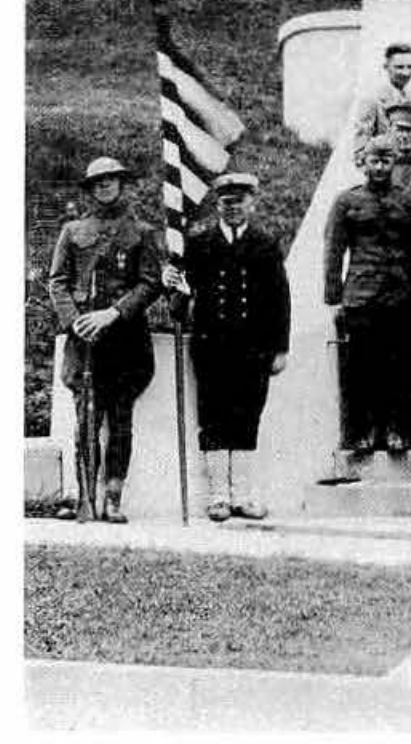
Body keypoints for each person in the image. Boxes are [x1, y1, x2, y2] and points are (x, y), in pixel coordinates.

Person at [169, 171, 290, 522]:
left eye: (240, 202)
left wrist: (280, 347)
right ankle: (219, 497)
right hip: (212, 347)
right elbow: (179, 302)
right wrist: (172, 284)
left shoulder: (266, 244)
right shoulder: (199, 244)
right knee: (213, 419)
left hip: (254, 348)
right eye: (226, 202)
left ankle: (243, 496)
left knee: (248, 418)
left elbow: (280, 299)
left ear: (251, 203)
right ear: (217, 205)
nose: (233, 208)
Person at [48, 156, 162, 523]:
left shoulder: (142, 232)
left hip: (126, 342)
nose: (105, 185)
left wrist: (113, 313)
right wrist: (76, 321)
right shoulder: (73, 231)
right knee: (86, 421)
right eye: (98, 181)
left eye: (111, 179)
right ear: (90, 189)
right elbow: (57, 282)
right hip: (85, 344)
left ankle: (113, 497)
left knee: (121, 421)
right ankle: (84, 495)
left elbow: (150, 283)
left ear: (121, 184)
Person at [324, 135, 411, 454]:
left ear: (394, 162)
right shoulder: (347, 201)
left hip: (400, 295)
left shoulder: (410, 200)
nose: (379, 167)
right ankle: (362, 432)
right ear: (363, 163)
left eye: (385, 160)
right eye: (374, 161)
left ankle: (396, 430)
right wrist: (334, 297)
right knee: (361, 367)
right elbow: (333, 250)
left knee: (399, 365)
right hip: (361, 295)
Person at [350, 41, 411, 162]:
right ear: (386, 67)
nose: (406, 73)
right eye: (399, 67)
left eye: (410, 67)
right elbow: (360, 146)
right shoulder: (372, 98)